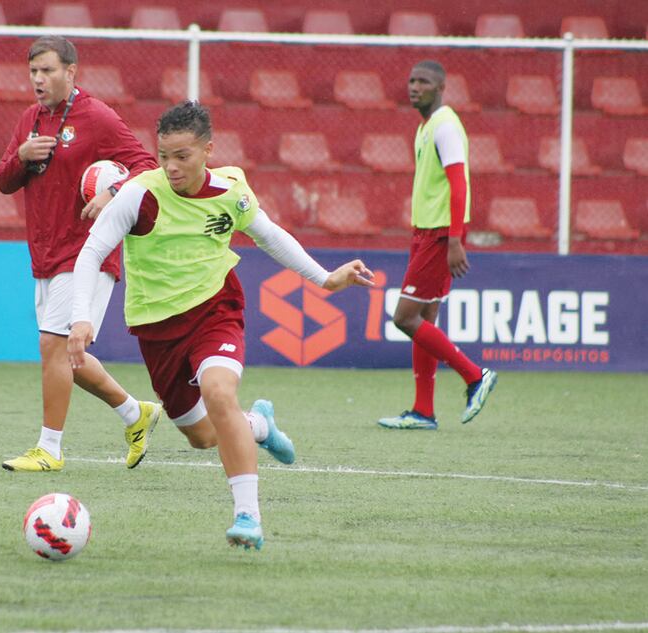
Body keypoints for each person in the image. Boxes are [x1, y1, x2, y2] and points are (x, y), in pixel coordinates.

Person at [67, 101, 375, 550]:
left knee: (218, 391)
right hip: (158, 329)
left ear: (208, 150)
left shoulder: (232, 191)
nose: (171, 167)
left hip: (216, 309)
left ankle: (247, 516)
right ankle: (259, 426)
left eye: (182, 156)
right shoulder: (140, 194)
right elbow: (92, 253)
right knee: (201, 436)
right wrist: (82, 318)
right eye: (163, 155)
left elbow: (269, 236)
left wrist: (326, 279)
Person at [0, 35, 161, 472]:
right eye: (33, 71)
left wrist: (112, 193)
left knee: (52, 346)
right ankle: (134, 413)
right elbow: (2, 180)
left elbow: (147, 166)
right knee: (70, 355)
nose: (38, 79)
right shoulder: (29, 121)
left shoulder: (97, 116)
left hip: (88, 253)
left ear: (71, 72)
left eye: (47, 70)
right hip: (46, 255)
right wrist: (22, 158)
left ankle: (49, 449)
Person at [377, 60, 497, 431]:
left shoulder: (444, 126)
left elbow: (458, 184)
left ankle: (475, 375)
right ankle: (423, 411)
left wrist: (455, 240)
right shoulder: (426, 126)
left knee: (404, 317)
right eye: (412, 81)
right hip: (426, 232)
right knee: (425, 318)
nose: (415, 87)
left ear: (441, 87)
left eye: (424, 82)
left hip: (440, 234)